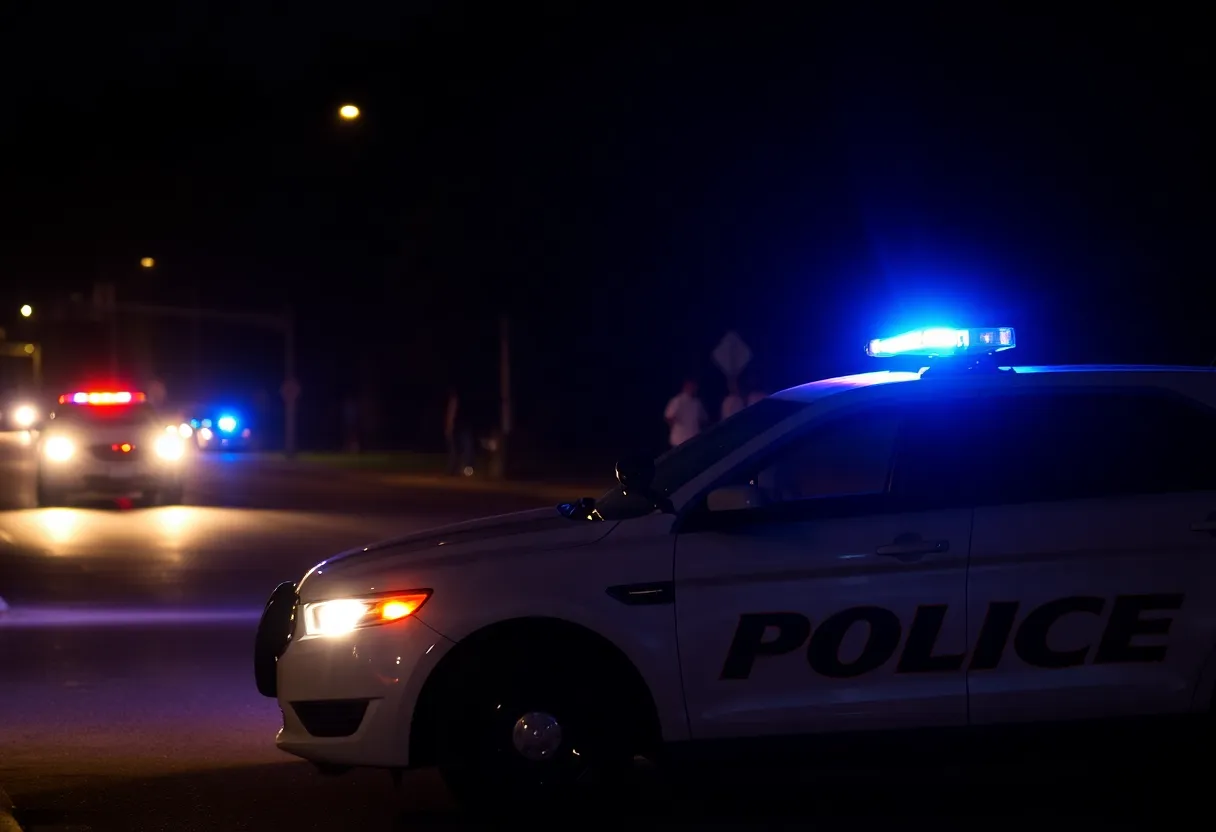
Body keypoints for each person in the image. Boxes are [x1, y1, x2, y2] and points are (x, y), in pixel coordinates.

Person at [665, 378, 707, 447]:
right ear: (686, 387)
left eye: (695, 387)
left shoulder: (697, 403)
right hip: (680, 440)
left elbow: (703, 419)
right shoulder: (677, 401)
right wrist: (676, 429)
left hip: (693, 438)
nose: (694, 389)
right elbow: (668, 417)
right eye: (692, 386)